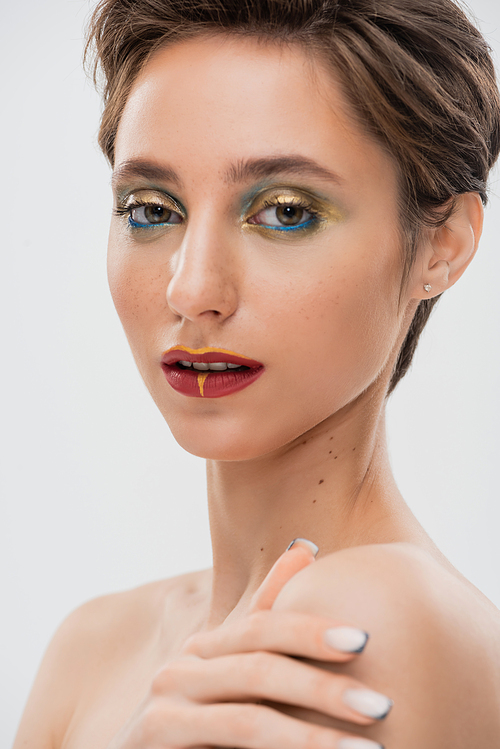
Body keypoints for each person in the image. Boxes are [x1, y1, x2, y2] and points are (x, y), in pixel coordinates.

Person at [12, 0, 500, 747]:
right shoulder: (92, 646)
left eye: (286, 212)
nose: (192, 289)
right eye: (150, 209)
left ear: (444, 245)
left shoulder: (379, 617)